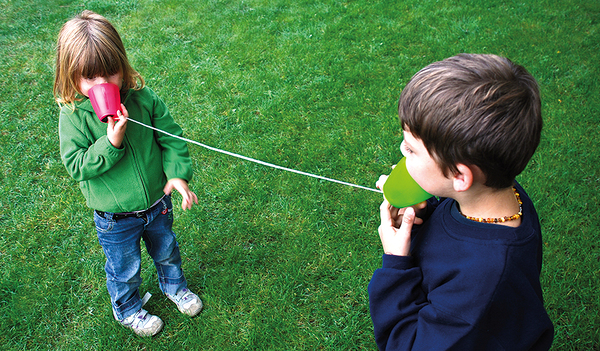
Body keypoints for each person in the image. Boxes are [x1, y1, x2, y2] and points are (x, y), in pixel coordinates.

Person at [369, 54, 554, 350]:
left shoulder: (482, 281)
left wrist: (396, 267)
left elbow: (409, 344)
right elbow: (452, 240)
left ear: (459, 174)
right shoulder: (500, 195)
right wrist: (424, 212)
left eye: (411, 149)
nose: (402, 152)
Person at [54, 10, 202, 337]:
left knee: (166, 250)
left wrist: (177, 174)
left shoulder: (142, 99)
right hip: (115, 217)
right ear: (71, 76)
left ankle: (175, 287)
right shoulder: (74, 117)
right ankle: (128, 309)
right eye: (90, 78)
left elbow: (171, 138)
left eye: (111, 73)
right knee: (124, 269)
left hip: (157, 202)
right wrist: (110, 143)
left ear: (122, 65)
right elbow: (77, 166)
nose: (104, 84)